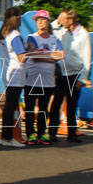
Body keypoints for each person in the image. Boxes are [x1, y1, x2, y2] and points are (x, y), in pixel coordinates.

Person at [24, 10, 64, 146]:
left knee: (43, 108)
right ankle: (30, 133)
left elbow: (61, 55)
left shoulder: (55, 39)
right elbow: (33, 55)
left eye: (43, 19)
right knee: (30, 107)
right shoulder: (31, 37)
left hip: (48, 80)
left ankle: (42, 132)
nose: (40, 22)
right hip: (33, 78)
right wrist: (51, 57)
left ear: (48, 21)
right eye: (37, 20)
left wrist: (45, 55)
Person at [52, 8, 91, 143]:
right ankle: (52, 132)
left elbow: (87, 58)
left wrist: (83, 79)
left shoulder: (83, 34)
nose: (62, 22)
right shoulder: (63, 32)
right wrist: (58, 20)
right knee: (56, 103)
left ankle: (71, 133)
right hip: (61, 73)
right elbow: (52, 27)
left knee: (72, 104)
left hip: (75, 74)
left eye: (65, 19)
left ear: (71, 20)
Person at [0, 6, 27, 147]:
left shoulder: (3, 34)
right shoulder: (15, 35)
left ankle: (6, 136)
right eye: (19, 16)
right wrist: (33, 52)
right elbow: (22, 57)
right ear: (16, 18)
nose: (21, 18)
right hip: (16, 73)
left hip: (8, 73)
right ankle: (8, 137)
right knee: (10, 107)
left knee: (9, 107)